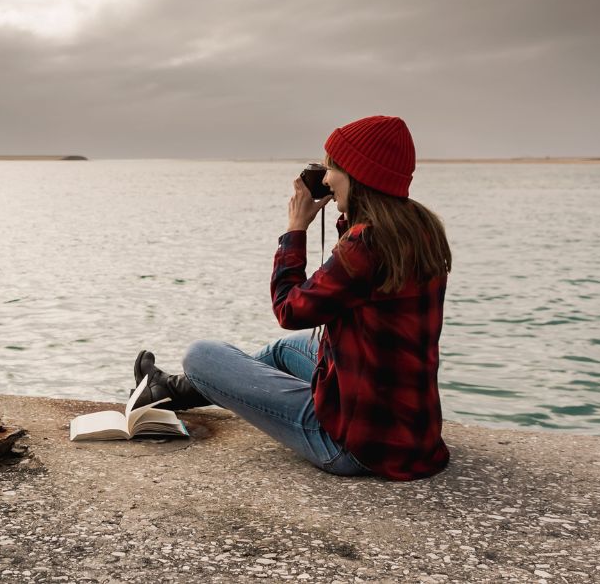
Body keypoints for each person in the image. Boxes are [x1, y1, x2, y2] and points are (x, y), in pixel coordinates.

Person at [130, 115, 452, 480]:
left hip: (353, 445)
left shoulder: (366, 244)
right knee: (288, 349)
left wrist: (296, 230)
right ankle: (169, 390)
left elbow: (290, 309)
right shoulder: (420, 227)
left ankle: (174, 388)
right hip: (412, 432)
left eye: (332, 168)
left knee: (201, 355)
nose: (326, 179)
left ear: (359, 175)